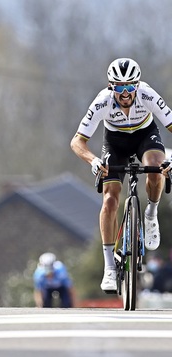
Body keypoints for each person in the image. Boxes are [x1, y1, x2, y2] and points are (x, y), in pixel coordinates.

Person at [70, 58, 172, 293]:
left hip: (145, 136)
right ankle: (109, 267)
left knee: (156, 170)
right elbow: (77, 141)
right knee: (109, 200)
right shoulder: (102, 102)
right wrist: (94, 161)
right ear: (110, 87)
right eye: (118, 87)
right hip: (115, 143)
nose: (125, 93)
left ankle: (151, 213)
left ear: (137, 85)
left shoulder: (148, 95)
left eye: (129, 87)